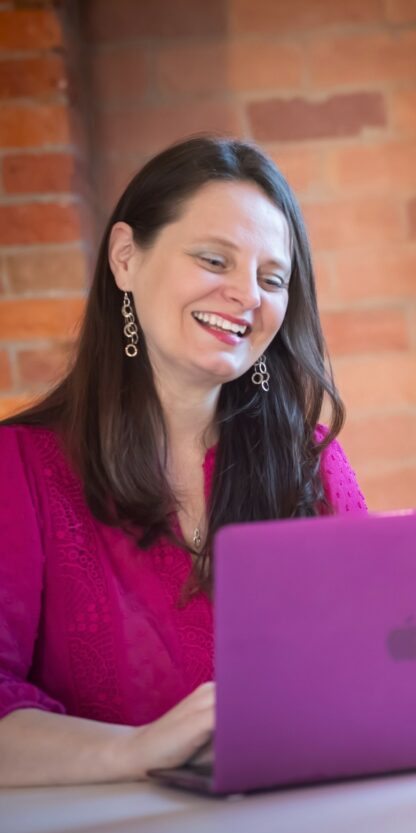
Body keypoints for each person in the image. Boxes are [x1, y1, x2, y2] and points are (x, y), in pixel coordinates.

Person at [0, 137, 366, 786]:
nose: (246, 295)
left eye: (272, 279)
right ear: (125, 259)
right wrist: (139, 750)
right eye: (213, 259)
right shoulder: (19, 467)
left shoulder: (309, 458)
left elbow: (378, 660)